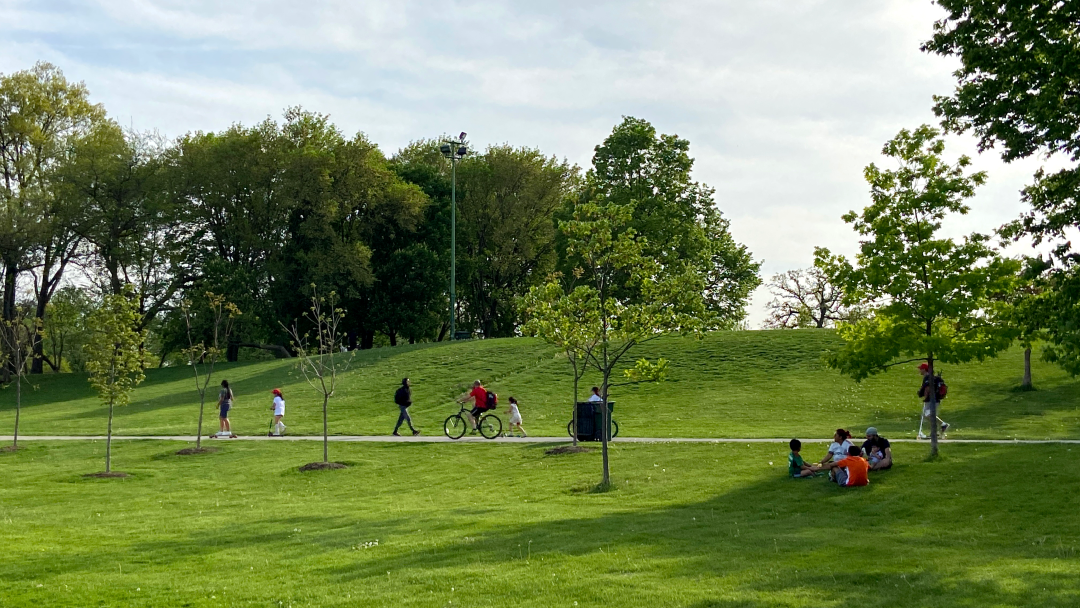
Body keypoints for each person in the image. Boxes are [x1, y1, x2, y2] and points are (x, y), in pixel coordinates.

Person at [917, 362, 950, 439]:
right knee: (930, 415)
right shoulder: (932, 377)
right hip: (936, 399)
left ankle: (943, 424)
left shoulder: (927, 378)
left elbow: (927, 388)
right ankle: (934, 433)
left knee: (927, 414)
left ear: (924, 370)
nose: (920, 371)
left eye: (921, 369)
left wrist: (925, 397)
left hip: (931, 399)